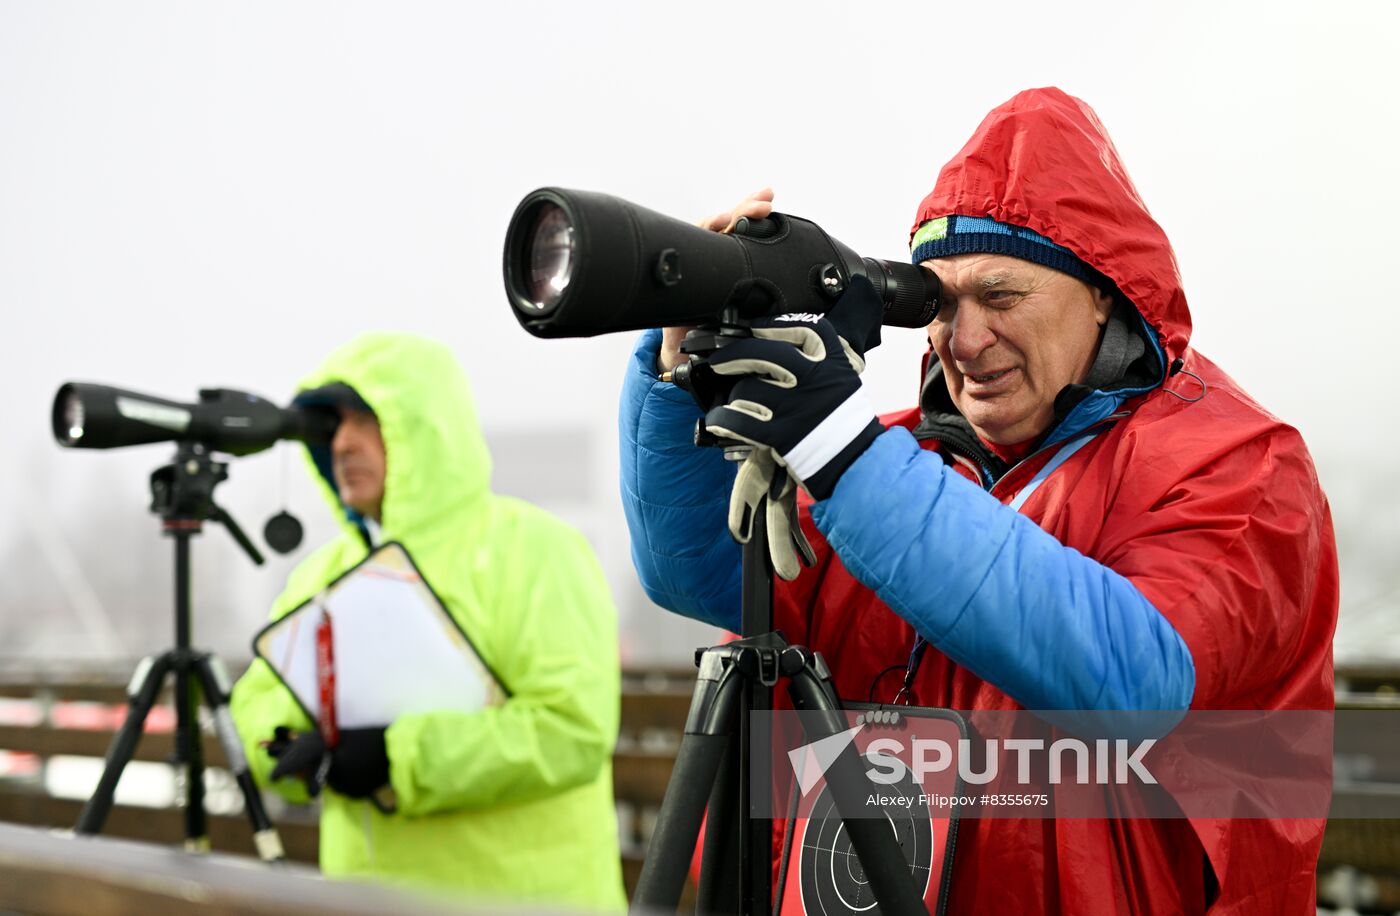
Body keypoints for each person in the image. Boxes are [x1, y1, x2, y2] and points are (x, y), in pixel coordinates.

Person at [619, 87, 1337, 914]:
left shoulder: (1240, 466)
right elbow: (695, 572)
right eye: (941, 304)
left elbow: (1138, 678)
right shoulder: (893, 459)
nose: (964, 341)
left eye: (1001, 297)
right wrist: (679, 379)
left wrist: (846, 454)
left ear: (1103, 291)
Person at [231, 332, 626, 911]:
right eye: (332, 425)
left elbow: (571, 731)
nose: (342, 442)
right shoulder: (319, 574)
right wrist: (293, 746)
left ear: (426, 427)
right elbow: (255, 708)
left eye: (366, 419)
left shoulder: (537, 549)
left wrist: (398, 758)